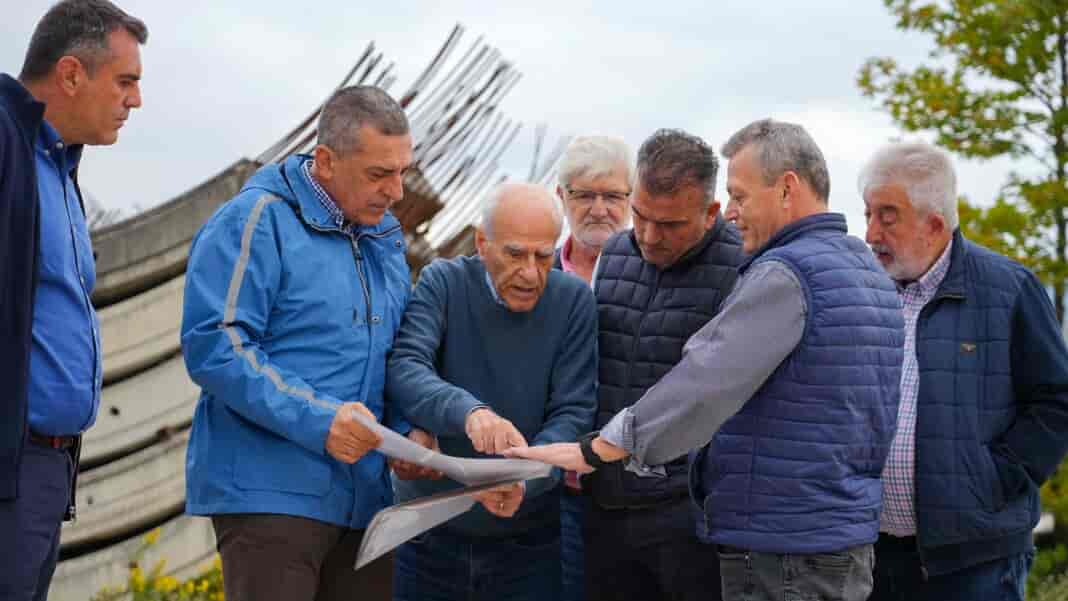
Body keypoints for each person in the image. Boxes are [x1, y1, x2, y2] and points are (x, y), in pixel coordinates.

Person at [510, 118, 905, 601]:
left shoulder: (780, 273)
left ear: (786, 189)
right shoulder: (863, 269)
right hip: (827, 532)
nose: (735, 214)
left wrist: (596, 449)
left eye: (740, 197)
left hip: (769, 540)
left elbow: (706, 380)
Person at [181, 85, 434, 601]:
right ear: (324, 161)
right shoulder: (256, 219)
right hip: (269, 497)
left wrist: (409, 432)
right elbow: (215, 344)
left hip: (365, 504)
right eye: (379, 174)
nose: (397, 192)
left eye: (401, 171)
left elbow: (393, 354)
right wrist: (322, 421)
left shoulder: (384, 237)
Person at [860, 142, 1068, 601]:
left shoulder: (1009, 288)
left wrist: (996, 477)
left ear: (934, 224)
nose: (871, 232)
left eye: (888, 216)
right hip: (870, 556)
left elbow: (1057, 401)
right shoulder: (863, 292)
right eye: (868, 213)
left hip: (975, 561)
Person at [385, 182, 598, 601]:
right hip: (427, 534)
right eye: (515, 254)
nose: (531, 273)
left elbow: (573, 413)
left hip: (529, 543)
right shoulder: (443, 282)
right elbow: (406, 365)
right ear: (482, 243)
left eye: (543, 255)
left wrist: (524, 478)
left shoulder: (573, 301)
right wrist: (470, 413)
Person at [0, 2, 146, 599]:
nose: (134, 101)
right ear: (70, 74)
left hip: (45, 470)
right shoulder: (6, 145)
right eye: (126, 81)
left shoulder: (57, 170)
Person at [580, 128, 745, 601]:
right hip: (605, 506)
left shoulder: (746, 269)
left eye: (670, 225)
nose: (650, 236)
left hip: (690, 520)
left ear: (711, 212)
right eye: (640, 216)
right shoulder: (612, 254)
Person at [551, 134, 634, 601]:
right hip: (553, 488)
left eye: (613, 196)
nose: (599, 208)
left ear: (631, 199)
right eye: (584, 194)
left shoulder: (656, 277)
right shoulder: (536, 272)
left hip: (630, 493)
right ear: (561, 197)